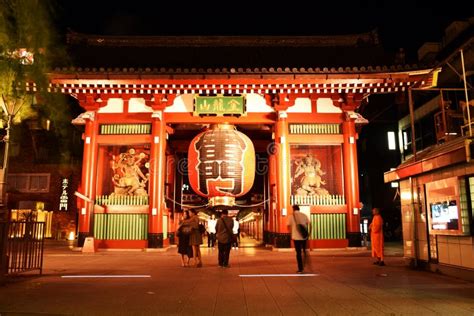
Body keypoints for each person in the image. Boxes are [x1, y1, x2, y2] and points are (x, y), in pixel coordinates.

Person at [287, 205, 310, 273]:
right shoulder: (304, 215)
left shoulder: (291, 216)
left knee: (298, 253)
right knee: (304, 251)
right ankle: (305, 262)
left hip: (296, 237)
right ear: (299, 209)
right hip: (304, 237)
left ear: (293, 209)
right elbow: (308, 223)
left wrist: (290, 234)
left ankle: (300, 268)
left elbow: (288, 226)